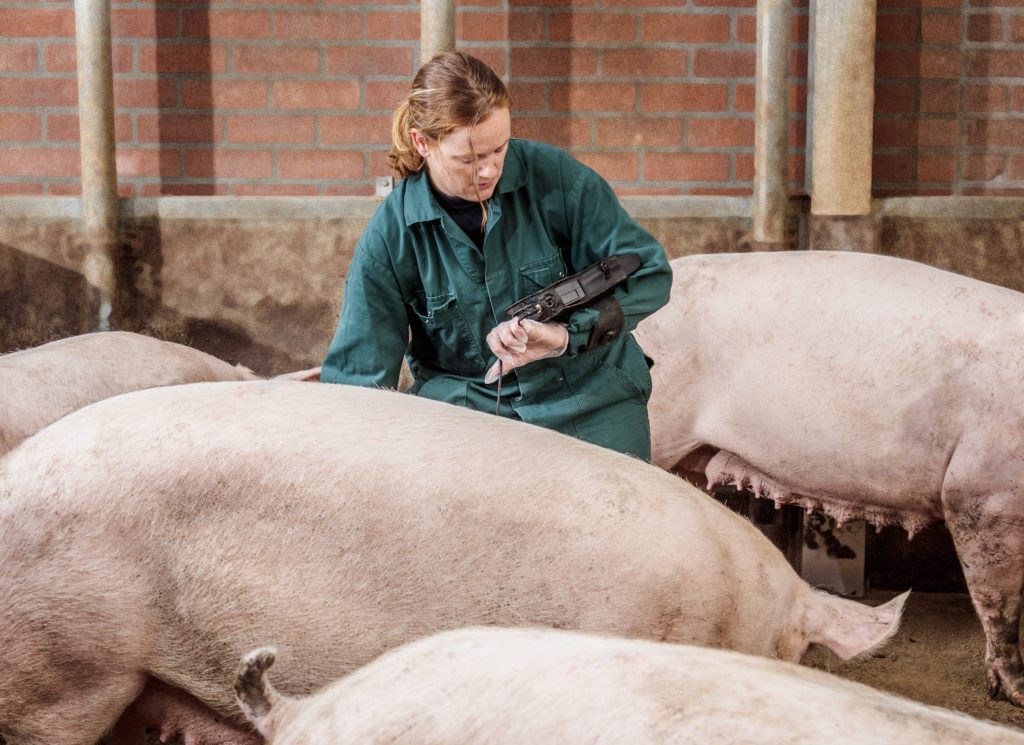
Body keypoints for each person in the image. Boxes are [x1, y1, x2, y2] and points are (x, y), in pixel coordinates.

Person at [321, 50, 671, 461]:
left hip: (591, 395)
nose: (488, 170)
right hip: (470, 412)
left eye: (498, 150)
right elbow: (358, 381)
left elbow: (648, 272)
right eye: (468, 159)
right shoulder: (390, 237)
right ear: (422, 142)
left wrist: (563, 336)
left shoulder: (555, 178)